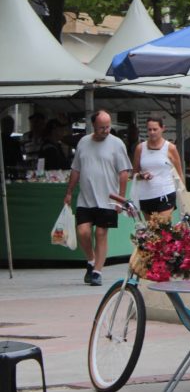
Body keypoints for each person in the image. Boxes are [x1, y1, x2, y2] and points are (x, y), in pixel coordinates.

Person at [64, 110, 132, 287]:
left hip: (108, 198)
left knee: (101, 233)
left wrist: (121, 199)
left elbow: (124, 173)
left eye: (108, 126)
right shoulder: (84, 142)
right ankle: (91, 260)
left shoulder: (117, 144)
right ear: (93, 125)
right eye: (102, 127)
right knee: (83, 232)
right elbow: (76, 169)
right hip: (86, 198)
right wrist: (69, 191)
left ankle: (97, 272)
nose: (106, 130)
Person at [132, 116, 184, 220]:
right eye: (149, 129)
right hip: (146, 195)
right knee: (151, 232)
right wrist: (142, 176)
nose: (152, 132)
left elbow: (179, 173)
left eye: (155, 129)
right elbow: (135, 174)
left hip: (166, 192)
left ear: (162, 128)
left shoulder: (170, 148)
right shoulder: (140, 148)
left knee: (161, 228)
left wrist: (183, 195)